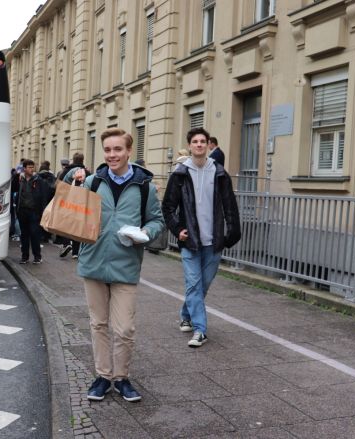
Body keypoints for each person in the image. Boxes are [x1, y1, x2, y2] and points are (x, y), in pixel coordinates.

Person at [71, 128, 164, 402]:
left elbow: (157, 220)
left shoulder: (144, 186)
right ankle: (103, 376)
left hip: (126, 264)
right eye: (108, 150)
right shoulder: (93, 182)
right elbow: (76, 214)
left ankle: (122, 378)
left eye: (118, 149)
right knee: (98, 324)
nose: (112, 155)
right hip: (94, 261)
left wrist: (145, 233)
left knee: (124, 328)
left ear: (128, 151)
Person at [161, 127, 241, 348]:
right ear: (189, 146)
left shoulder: (220, 173)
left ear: (208, 145)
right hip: (190, 241)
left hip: (214, 241)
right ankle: (200, 330)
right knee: (194, 285)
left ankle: (186, 314)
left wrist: (231, 234)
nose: (199, 144)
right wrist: (177, 229)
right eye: (195, 141)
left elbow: (230, 206)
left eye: (202, 141)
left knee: (201, 286)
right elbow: (168, 207)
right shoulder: (180, 174)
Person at [16, 159, 49, 264]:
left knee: (35, 234)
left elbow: (44, 197)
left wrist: (42, 212)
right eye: (29, 167)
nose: (32, 169)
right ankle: (24, 257)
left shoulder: (38, 180)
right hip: (22, 211)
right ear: (24, 169)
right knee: (24, 235)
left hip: (34, 212)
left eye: (32, 167)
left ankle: (37, 257)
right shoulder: (20, 179)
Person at [59, 152, 90, 259]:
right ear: (83, 160)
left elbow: (60, 184)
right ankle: (75, 253)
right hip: (81, 202)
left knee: (65, 223)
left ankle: (67, 243)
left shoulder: (66, 170)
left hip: (68, 201)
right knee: (77, 226)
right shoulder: (86, 171)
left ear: (73, 159)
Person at [38, 161, 57, 243]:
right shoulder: (52, 177)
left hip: (39, 202)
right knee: (48, 219)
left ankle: (40, 235)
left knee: (39, 218)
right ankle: (47, 236)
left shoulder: (37, 177)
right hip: (49, 202)